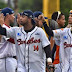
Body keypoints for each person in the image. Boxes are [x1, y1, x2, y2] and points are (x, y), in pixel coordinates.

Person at [0, 7, 17, 72]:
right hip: (5, 60)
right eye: (12, 15)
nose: (14, 17)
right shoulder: (3, 27)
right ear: (8, 16)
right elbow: (13, 41)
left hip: (10, 59)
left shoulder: (9, 28)